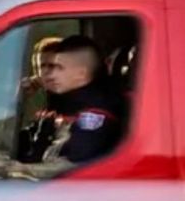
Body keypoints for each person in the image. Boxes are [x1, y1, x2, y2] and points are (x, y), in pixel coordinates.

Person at [24, 35, 127, 168]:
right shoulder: (65, 103)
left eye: (59, 68)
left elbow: (71, 166)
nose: (50, 74)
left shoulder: (95, 113)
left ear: (81, 74)